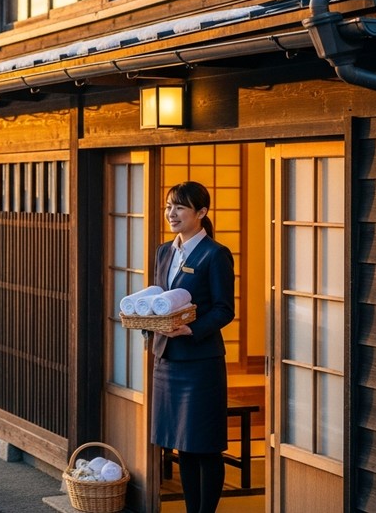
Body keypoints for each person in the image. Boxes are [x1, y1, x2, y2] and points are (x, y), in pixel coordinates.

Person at [149, 181, 236, 513]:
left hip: (201, 362)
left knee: (206, 446)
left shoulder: (215, 254)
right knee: (182, 446)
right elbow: (160, 299)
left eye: (180, 207)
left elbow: (224, 309)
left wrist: (191, 329)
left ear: (201, 213)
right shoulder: (164, 251)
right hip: (167, 360)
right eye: (169, 206)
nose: (172, 213)